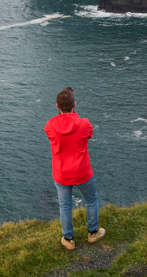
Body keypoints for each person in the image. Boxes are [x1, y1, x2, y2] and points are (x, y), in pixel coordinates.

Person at [44, 87, 106, 251]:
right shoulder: (84, 124)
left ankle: (68, 239)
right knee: (91, 199)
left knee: (65, 205)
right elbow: (89, 134)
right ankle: (93, 233)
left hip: (61, 173)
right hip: (82, 171)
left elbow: (50, 133)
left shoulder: (50, 125)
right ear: (75, 105)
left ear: (57, 106)